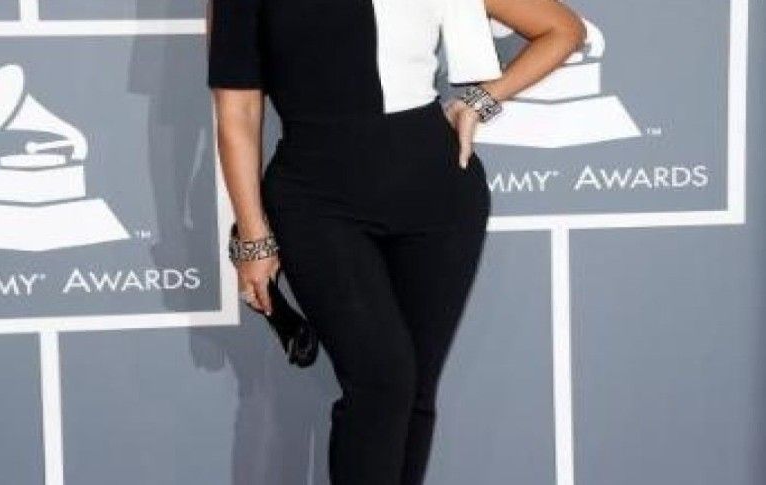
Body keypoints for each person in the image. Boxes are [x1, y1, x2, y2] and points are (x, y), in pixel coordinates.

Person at [205, 0, 584, 483]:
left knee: (415, 391)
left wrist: (482, 100)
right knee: (381, 382)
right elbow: (237, 110)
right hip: (316, 204)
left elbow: (562, 30)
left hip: (439, 199)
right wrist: (253, 235)